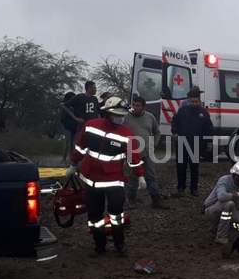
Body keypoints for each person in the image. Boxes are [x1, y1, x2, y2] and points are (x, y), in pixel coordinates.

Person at [70, 97, 146, 256]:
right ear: (107, 114)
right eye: (117, 115)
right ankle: (99, 246)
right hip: (91, 180)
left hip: (114, 181)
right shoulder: (91, 126)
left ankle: (120, 245)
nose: (120, 118)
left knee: (116, 214)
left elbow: (134, 159)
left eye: (122, 115)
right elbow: (80, 147)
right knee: (94, 216)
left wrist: (140, 176)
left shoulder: (127, 134)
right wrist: (73, 164)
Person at [125, 96, 168, 210]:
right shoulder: (126, 117)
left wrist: (154, 145)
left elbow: (157, 132)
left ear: (143, 107)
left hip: (147, 152)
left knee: (151, 176)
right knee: (133, 178)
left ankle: (156, 200)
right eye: (134, 105)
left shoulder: (150, 117)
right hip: (131, 153)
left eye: (138, 105)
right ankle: (131, 200)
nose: (135, 107)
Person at [171, 87, 213, 196]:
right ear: (189, 101)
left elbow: (209, 128)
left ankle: (194, 189)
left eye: (196, 101)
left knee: (194, 167)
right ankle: (180, 188)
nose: (194, 103)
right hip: (181, 143)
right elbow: (174, 122)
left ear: (199, 101)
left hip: (196, 144)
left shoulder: (203, 113)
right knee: (181, 167)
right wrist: (174, 132)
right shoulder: (183, 110)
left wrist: (208, 142)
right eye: (192, 101)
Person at [59, 91, 77, 164]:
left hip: (74, 127)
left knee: (73, 144)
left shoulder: (75, 106)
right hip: (66, 126)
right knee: (67, 143)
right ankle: (64, 159)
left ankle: (71, 159)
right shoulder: (65, 105)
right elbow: (62, 118)